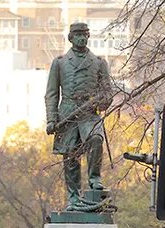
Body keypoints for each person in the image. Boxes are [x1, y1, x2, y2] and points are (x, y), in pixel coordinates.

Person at [44, 22, 114, 211]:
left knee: (96, 138)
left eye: (85, 35)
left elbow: (108, 91)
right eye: (78, 35)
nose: (82, 38)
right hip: (67, 113)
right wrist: (51, 119)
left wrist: (102, 102)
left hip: (89, 113)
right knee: (70, 156)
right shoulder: (60, 62)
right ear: (71, 38)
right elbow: (52, 93)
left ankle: (95, 178)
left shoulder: (99, 62)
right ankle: (73, 198)